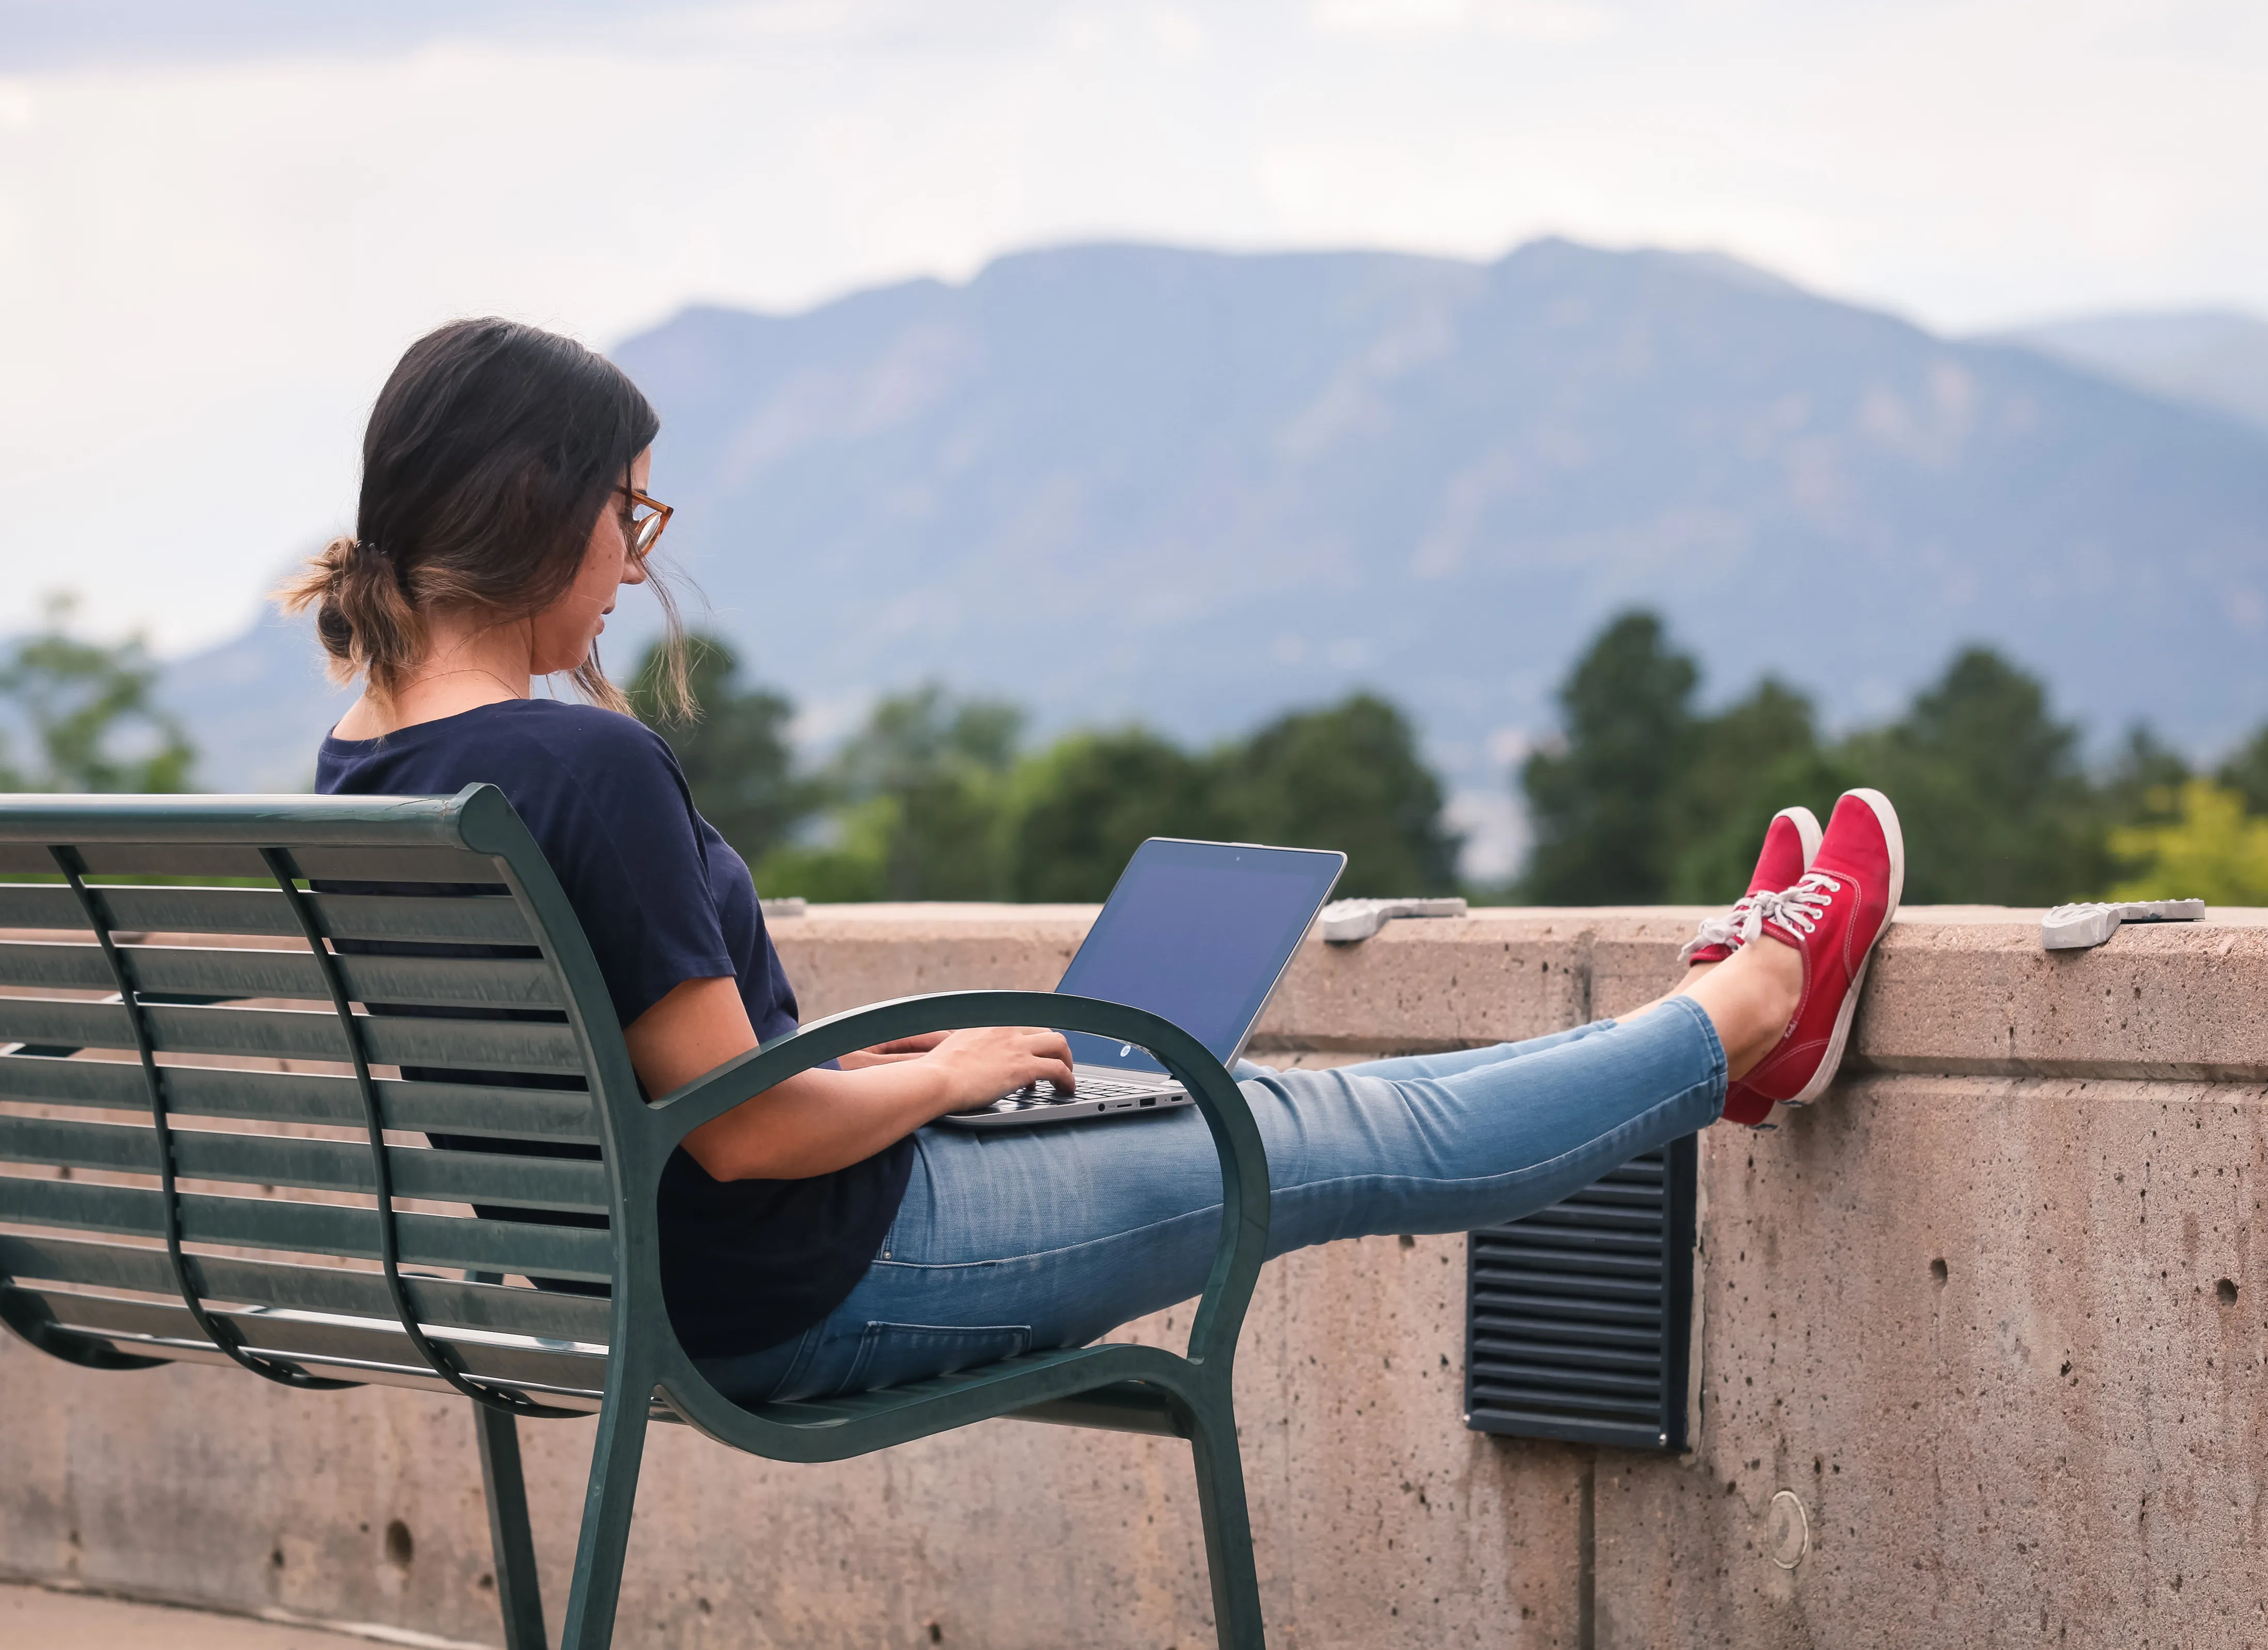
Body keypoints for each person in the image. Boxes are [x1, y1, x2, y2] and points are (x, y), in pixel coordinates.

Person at [289, 318, 1902, 1407]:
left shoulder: (366, 774)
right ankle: (1749, 1004)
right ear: (537, 510)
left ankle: (1705, 1039)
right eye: (626, 521)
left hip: (631, 1297)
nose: (633, 571)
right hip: (808, 1284)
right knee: (1324, 1122)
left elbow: (669, 1100)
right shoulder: (580, 764)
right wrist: (947, 1070)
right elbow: (749, 1137)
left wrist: (909, 1061)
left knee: (1203, 1086)